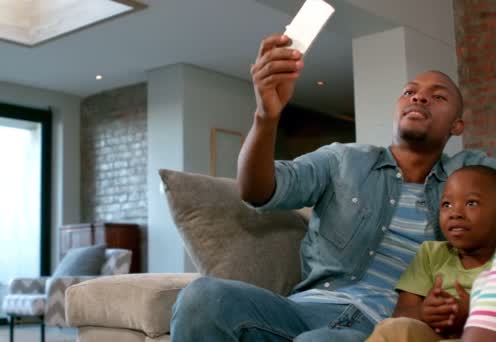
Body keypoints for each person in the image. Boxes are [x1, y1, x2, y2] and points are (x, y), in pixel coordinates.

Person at [169, 34, 496, 342]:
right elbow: (257, 191)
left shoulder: (471, 174)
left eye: (438, 96)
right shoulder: (343, 160)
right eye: (410, 92)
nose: (420, 97)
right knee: (202, 298)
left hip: (385, 329)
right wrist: (266, 116)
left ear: (457, 125)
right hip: (305, 310)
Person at [366, 165, 496, 341]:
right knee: (393, 328)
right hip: (433, 336)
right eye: (446, 204)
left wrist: (472, 314)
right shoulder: (431, 254)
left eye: (471, 203)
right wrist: (424, 313)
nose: (455, 213)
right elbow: (402, 311)